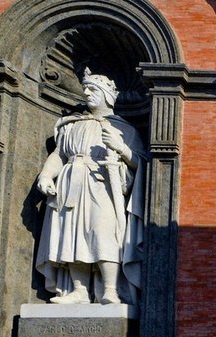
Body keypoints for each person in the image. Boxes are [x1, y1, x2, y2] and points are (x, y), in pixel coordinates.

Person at [36, 68, 145, 306]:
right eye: (85, 89)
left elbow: (141, 163)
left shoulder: (124, 129)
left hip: (103, 185)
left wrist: (121, 148)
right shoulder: (70, 125)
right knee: (72, 236)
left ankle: (111, 290)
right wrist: (45, 175)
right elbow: (59, 154)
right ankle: (79, 291)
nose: (87, 93)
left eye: (93, 89)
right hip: (70, 182)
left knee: (104, 233)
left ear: (107, 95)